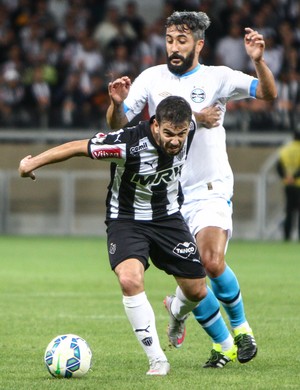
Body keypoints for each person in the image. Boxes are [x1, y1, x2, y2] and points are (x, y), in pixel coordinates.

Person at [106, 11, 277, 368]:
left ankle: (242, 329)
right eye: (169, 40)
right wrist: (115, 104)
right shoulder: (151, 79)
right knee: (191, 280)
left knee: (211, 261)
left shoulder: (218, 77)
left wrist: (259, 62)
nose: (174, 47)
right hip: (167, 197)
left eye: (182, 41)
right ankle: (206, 331)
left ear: (199, 44)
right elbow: (119, 127)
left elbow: (267, 93)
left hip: (210, 186)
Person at [19, 95, 210, 376]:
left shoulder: (189, 127)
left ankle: (177, 312)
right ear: (155, 125)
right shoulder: (127, 143)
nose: (175, 141)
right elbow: (77, 147)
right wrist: (32, 163)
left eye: (180, 134)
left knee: (197, 290)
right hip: (127, 220)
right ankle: (158, 359)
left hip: (168, 219)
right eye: (168, 133)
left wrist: (205, 116)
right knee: (130, 279)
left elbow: (197, 119)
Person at [276, 131, 300, 241]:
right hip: (298, 184)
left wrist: (286, 177)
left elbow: (279, 167)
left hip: (288, 185)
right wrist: (294, 177)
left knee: (289, 211)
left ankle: (287, 236)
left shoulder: (285, 149)